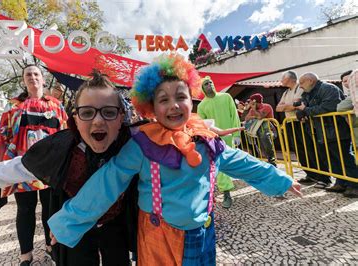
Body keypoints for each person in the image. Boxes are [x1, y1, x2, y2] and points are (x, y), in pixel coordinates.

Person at [45, 54, 301, 265]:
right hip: (158, 238)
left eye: (181, 97)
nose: (174, 106)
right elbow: (106, 184)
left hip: (203, 234)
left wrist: (280, 179)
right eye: (163, 100)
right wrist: (67, 222)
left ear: (192, 100)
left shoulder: (207, 140)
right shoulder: (142, 145)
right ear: (151, 107)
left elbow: (242, 162)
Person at [0, 71, 137, 266]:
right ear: (75, 118)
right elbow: (19, 167)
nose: (98, 120)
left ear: (121, 117)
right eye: (87, 112)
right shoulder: (62, 147)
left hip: (116, 226)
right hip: (75, 233)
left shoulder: (134, 146)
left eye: (109, 112)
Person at [0, 64, 68, 265]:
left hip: (49, 167)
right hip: (23, 166)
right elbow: (3, 135)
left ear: (43, 79)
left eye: (36, 74)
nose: (32, 77)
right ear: (23, 80)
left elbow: (65, 133)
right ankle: (25, 255)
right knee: (25, 210)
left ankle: (50, 246)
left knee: (49, 209)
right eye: (28, 74)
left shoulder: (56, 106)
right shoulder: (14, 107)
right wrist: (2, 167)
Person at [296, 72, 358, 197]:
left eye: (302, 83)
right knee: (332, 159)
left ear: (310, 81)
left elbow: (329, 107)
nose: (300, 86)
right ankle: (341, 182)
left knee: (344, 158)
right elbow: (301, 107)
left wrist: (305, 110)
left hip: (336, 130)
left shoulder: (328, 88)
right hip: (322, 131)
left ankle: (354, 185)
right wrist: (301, 113)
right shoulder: (308, 92)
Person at [277, 71, 330, 186]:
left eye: (283, 78)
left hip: (302, 122)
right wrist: (290, 106)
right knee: (299, 150)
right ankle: (310, 174)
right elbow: (278, 108)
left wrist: (287, 106)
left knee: (311, 149)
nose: (281, 80)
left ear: (290, 79)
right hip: (290, 123)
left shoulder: (301, 88)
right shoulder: (286, 92)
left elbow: (300, 104)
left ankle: (323, 176)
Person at [197, 76, 241, 209]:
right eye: (205, 84)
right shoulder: (201, 106)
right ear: (202, 88)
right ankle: (226, 193)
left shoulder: (226, 97)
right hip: (215, 141)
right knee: (221, 167)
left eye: (210, 82)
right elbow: (203, 126)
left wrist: (237, 134)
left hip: (229, 138)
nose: (209, 84)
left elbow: (234, 115)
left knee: (236, 162)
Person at [245, 93, 277, 166]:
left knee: (265, 140)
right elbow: (246, 118)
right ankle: (266, 159)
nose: (250, 103)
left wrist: (254, 111)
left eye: (251, 101)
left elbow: (260, 117)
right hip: (258, 129)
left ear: (255, 101)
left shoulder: (267, 106)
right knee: (261, 143)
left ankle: (272, 160)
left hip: (269, 128)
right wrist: (254, 115)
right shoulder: (252, 109)